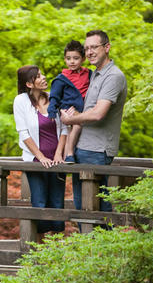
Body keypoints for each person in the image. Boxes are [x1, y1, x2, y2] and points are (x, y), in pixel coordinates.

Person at [60, 30, 127, 212]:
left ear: (107, 47)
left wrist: (71, 119)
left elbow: (98, 114)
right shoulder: (94, 74)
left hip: (96, 150)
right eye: (86, 48)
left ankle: (104, 241)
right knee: (83, 206)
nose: (89, 52)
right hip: (84, 148)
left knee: (94, 209)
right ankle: (91, 241)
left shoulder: (113, 76)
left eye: (94, 47)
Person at [13, 65, 68, 235]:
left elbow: (65, 128)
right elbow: (23, 133)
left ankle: (58, 252)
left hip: (57, 160)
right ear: (29, 84)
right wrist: (41, 157)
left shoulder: (53, 98)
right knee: (40, 204)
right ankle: (39, 253)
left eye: (42, 74)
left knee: (58, 204)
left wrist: (59, 153)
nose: (44, 77)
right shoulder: (21, 101)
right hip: (36, 161)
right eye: (38, 76)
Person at [48, 40, 92, 163]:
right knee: (75, 126)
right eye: (68, 58)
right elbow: (54, 96)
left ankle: (67, 157)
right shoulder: (62, 78)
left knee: (71, 132)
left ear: (83, 59)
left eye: (76, 58)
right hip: (69, 108)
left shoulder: (89, 74)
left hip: (83, 108)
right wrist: (52, 110)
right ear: (64, 59)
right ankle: (69, 154)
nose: (72, 61)